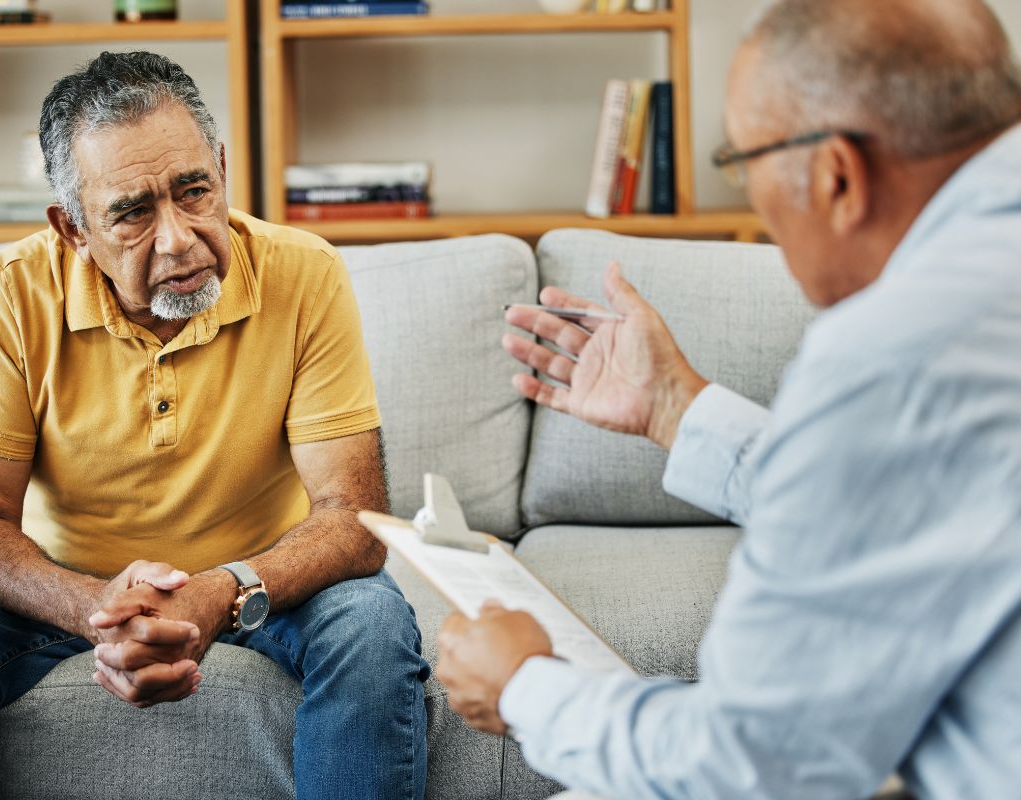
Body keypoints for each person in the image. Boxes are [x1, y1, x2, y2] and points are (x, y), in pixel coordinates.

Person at [436, 0, 1021, 797]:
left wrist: (526, 688)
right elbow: (916, 496)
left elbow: (755, 765)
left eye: (743, 163)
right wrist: (674, 407)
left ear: (835, 175)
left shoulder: (896, 346)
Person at [0, 51, 429, 800]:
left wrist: (220, 590)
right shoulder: (11, 295)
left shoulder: (305, 272)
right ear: (72, 227)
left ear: (222, 168)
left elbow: (353, 520)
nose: (179, 240)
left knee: (374, 629)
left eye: (194, 191)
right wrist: (96, 607)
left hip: (266, 578)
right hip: (69, 582)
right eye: (132, 212)